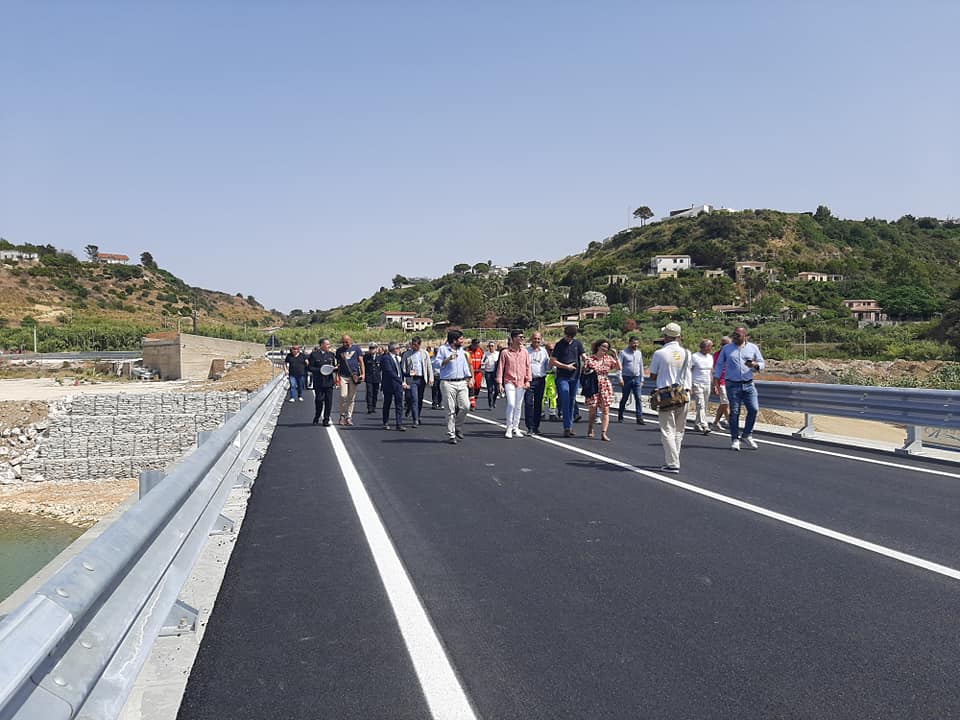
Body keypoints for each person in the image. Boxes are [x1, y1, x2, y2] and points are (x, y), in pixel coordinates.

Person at [648, 322, 692, 473]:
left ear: (666, 336)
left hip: (666, 395)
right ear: (679, 336)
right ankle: (675, 458)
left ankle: (673, 463)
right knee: (679, 430)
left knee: (667, 430)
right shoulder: (687, 352)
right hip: (684, 393)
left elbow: (653, 376)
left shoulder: (660, 353)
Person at [713, 326, 765, 451]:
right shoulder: (727, 348)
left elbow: (762, 362)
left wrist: (756, 365)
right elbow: (719, 365)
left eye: (738, 335)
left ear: (745, 336)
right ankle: (735, 439)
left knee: (754, 409)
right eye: (734, 335)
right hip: (732, 384)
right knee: (735, 412)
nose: (735, 337)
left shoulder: (753, 347)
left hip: (748, 383)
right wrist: (716, 381)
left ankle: (747, 434)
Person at [435, 330, 474, 444]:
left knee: (466, 406)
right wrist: (447, 359)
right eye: (461, 339)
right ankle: (451, 434)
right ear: (454, 340)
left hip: (461, 382)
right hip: (448, 382)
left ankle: (458, 426)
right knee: (450, 409)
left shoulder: (462, 350)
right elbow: (436, 364)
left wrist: (469, 378)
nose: (463, 341)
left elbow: (464, 365)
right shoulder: (443, 349)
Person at [550, 325, 585, 438]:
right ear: (565, 334)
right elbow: (553, 361)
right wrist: (566, 367)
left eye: (571, 336)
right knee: (565, 398)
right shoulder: (559, 345)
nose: (569, 338)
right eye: (568, 336)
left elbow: (583, 355)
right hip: (562, 377)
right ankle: (566, 426)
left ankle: (568, 427)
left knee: (572, 401)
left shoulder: (577, 344)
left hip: (575, 377)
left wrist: (588, 362)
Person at [497, 329, 532, 438]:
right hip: (509, 381)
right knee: (511, 403)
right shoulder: (505, 352)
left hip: (521, 381)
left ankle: (516, 427)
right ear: (513, 339)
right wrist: (499, 383)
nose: (522, 339)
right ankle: (508, 427)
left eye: (523, 337)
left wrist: (528, 380)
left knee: (518, 405)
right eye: (519, 337)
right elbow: (500, 367)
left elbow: (528, 366)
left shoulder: (525, 352)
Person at [583, 339, 620, 441]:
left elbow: (618, 367)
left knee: (606, 409)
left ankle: (604, 433)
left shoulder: (608, 359)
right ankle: (590, 428)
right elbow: (584, 371)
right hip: (593, 385)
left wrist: (616, 356)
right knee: (593, 409)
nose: (605, 349)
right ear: (598, 346)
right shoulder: (591, 359)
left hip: (605, 385)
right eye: (603, 346)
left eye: (607, 347)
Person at [401, 336, 434, 427]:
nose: (414, 347)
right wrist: (404, 380)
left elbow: (429, 366)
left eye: (416, 345)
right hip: (411, 380)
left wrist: (431, 378)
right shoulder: (407, 354)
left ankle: (417, 416)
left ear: (419, 345)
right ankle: (415, 419)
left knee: (419, 399)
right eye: (413, 345)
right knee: (414, 398)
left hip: (421, 379)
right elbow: (403, 368)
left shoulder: (425, 353)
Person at [334, 335, 365, 426]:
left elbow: (361, 362)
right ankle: (342, 415)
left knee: (351, 398)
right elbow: (338, 363)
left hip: (354, 376)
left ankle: (349, 416)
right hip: (343, 375)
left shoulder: (356, 349)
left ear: (350, 341)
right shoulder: (339, 351)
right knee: (343, 396)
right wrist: (336, 376)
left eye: (346, 342)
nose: (345, 344)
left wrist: (363, 374)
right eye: (343, 342)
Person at [524, 331, 550, 435]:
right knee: (529, 403)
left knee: (539, 404)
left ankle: (536, 426)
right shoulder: (526, 351)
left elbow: (547, 366)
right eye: (535, 338)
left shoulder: (544, 351)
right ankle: (529, 426)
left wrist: (552, 365)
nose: (537, 341)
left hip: (541, 380)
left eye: (538, 339)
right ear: (531, 339)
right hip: (529, 380)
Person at [617, 336, 646, 425]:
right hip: (626, 378)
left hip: (636, 378)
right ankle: (620, 414)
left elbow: (641, 366)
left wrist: (642, 379)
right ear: (629, 343)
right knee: (625, 398)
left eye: (637, 343)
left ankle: (639, 417)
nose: (635, 345)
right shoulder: (623, 353)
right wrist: (620, 378)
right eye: (633, 343)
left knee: (638, 398)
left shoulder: (639, 353)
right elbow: (619, 366)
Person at [308, 338, 337, 426]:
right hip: (319, 382)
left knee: (328, 401)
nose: (329, 346)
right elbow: (310, 368)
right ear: (321, 345)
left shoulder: (331, 355)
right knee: (319, 400)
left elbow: (333, 367)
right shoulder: (314, 355)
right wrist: (320, 370)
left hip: (329, 382)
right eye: (327, 344)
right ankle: (317, 416)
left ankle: (326, 419)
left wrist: (335, 369)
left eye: (329, 344)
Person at [379, 342, 407, 431]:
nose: (399, 350)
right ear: (393, 349)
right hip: (389, 385)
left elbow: (399, 371)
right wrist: (401, 381)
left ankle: (399, 424)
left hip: (397, 386)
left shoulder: (397, 358)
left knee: (399, 405)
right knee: (387, 404)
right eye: (398, 348)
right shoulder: (386, 358)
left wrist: (408, 374)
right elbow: (390, 372)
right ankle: (385, 422)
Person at [690, 339, 715, 435]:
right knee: (700, 404)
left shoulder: (710, 357)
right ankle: (705, 425)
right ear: (705, 347)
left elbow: (711, 371)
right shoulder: (695, 356)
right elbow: (690, 370)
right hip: (697, 383)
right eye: (710, 346)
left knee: (704, 405)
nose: (711, 348)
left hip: (707, 383)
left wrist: (713, 384)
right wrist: (690, 385)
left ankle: (697, 423)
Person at [710, 336, 732, 431]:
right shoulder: (717, 355)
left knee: (724, 403)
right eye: (724, 344)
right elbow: (714, 370)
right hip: (721, 382)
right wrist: (715, 384)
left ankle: (716, 422)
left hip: (729, 381)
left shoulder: (731, 354)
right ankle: (731, 424)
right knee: (725, 403)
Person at [363, 343, 382, 414]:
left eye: (373, 348)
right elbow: (364, 366)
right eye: (370, 348)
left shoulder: (380, 357)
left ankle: (374, 406)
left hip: (376, 377)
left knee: (375, 393)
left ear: (376, 349)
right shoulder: (366, 357)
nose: (372, 350)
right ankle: (369, 407)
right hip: (369, 377)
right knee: (369, 392)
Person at [481, 341, 500, 409]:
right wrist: (484, 362)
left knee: (497, 390)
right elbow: (482, 363)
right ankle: (490, 404)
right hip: (488, 372)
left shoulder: (498, 354)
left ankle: (494, 400)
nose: (491, 348)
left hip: (495, 373)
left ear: (495, 347)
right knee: (490, 389)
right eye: (489, 346)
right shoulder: (486, 354)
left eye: (492, 346)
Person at [467, 338, 485, 411]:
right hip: (470, 373)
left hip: (478, 372)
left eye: (478, 344)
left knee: (477, 387)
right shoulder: (467, 350)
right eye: (475, 344)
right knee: (471, 387)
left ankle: (474, 400)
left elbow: (483, 360)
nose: (477, 345)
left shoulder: (480, 351)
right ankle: (472, 404)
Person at [543, 342, 559, 421]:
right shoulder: (543, 356)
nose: (552, 351)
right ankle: (541, 412)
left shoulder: (555, 357)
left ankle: (552, 413)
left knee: (552, 395)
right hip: (545, 376)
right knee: (543, 396)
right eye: (550, 349)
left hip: (552, 377)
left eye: (553, 349)